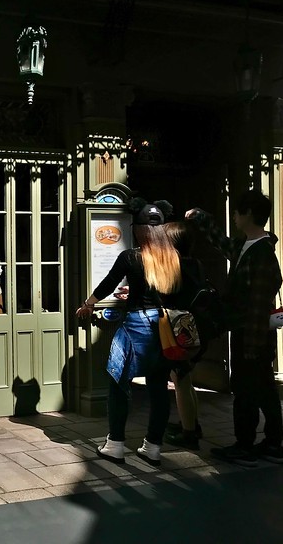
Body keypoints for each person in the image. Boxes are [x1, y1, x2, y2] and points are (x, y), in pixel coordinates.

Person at [76, 198, 179, 467]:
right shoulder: (173, 258)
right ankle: (153, 447)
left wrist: (88, 305)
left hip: (135, 325)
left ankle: (116, 444)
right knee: (159, 388)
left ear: (140, 229)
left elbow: (108, 283)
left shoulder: (131, 256)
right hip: (164, 327)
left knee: (119, 384)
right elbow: (163, 291)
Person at [186, 189, 283, 466]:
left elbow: (257, 306)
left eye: (238, 211)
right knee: (263, 389)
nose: (235, 215)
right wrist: (201, 218)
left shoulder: (262, 255)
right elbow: (223, 243)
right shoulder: (246, 247)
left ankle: (246, 444)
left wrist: (251, 347)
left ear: (249, 214)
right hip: (250, 333)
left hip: (252, 335)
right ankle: (273, 444)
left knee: (246, 390)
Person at [161, 221, 205, 451]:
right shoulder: (195, 264)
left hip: (180, 331)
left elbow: (164, 295)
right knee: (187, 381)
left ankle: (189, 434)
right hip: (195, 328)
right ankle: (192, 424)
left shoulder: (174, 267)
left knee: (180, 381)